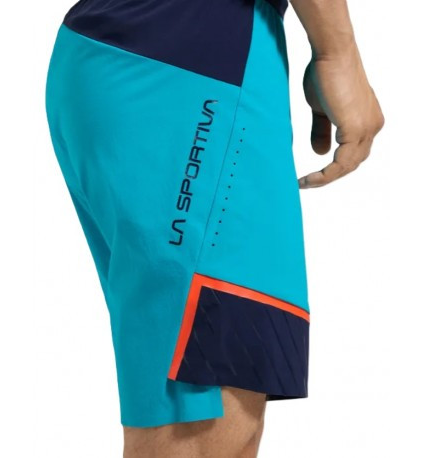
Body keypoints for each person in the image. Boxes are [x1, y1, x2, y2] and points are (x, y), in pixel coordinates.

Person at [45, 0, 384, 456]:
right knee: (204, 417)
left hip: (174, 58)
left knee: (225, 404)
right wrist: (337, 53)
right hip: (193, 63)